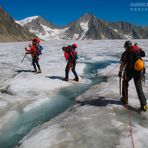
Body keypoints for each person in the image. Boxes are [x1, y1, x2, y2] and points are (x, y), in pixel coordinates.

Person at [118, 40, 147, 111]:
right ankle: (144, 105)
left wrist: (120, 72)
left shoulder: (126, 53)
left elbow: (122, 64)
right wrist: (139, 49)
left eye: (125, 47)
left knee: (125, 83)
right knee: (139, 88)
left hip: (129, 72)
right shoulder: (137, 50)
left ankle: (125, 99)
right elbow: (143, 54)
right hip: (139, 72)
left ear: (126, 46)